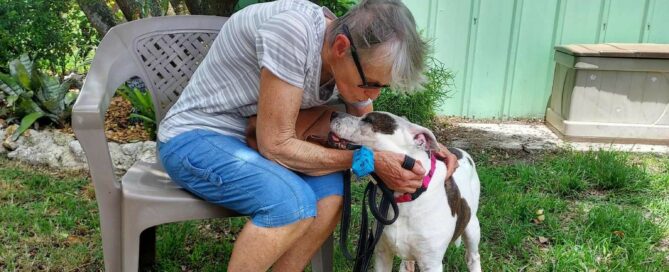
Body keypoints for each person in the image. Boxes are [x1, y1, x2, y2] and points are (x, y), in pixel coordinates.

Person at [157, 0, 457, 270]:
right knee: (292, 203)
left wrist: (425, 146)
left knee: (330, 198)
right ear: (341, 47)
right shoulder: (291, 33)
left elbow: (367, 124)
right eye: (370, 83)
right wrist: (365, 159)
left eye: (382, 87)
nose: (372, 94)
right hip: (196, 137)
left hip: (251, 141)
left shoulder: (351, 57)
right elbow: (276, 145)